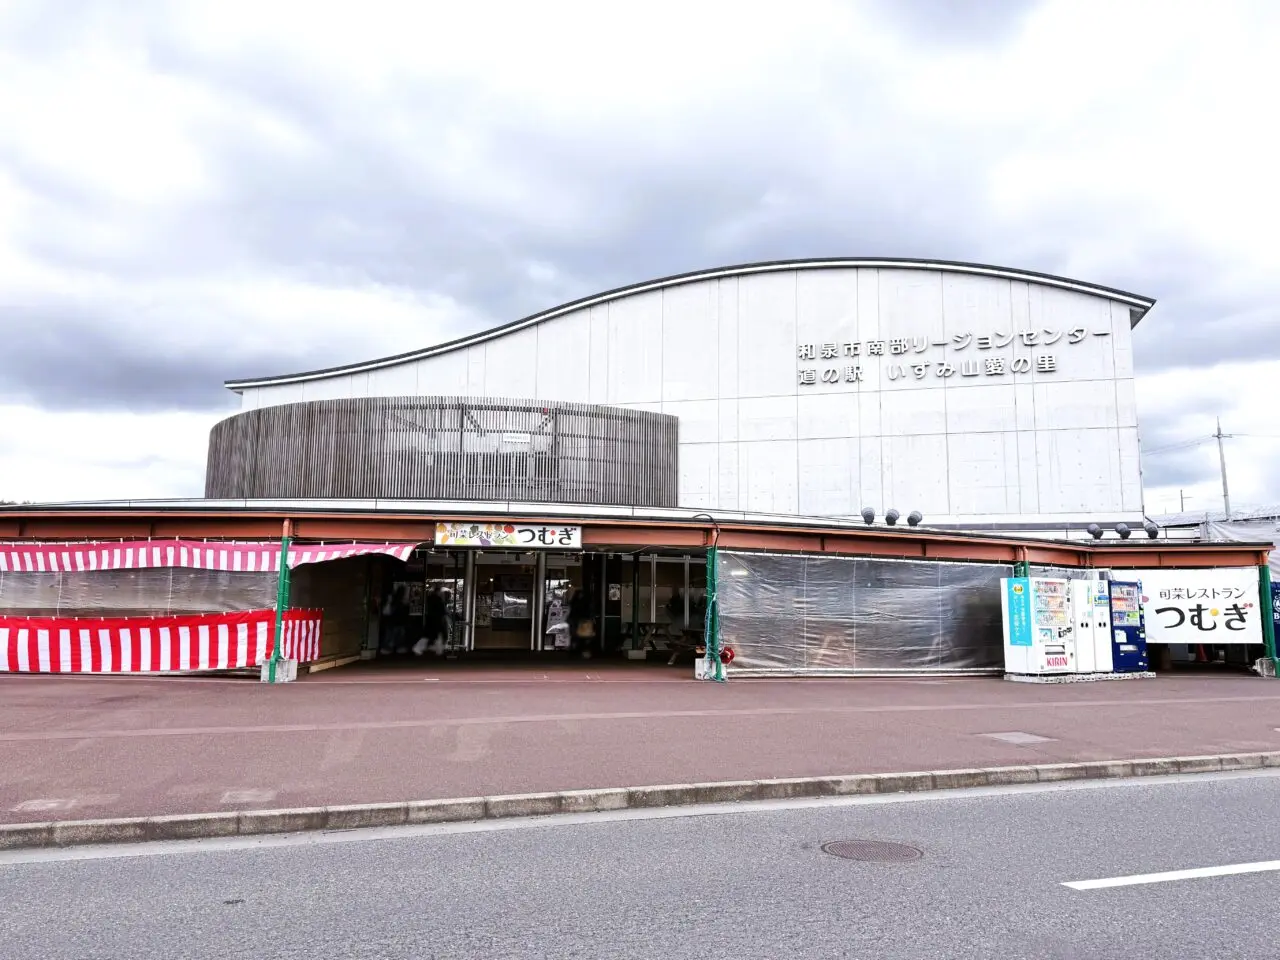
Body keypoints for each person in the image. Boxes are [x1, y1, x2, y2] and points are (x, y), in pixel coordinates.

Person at [414, 586, 448, 657]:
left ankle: (437, 649)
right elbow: (442, 611)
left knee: (430, 635)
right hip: (436, 621)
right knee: (435, 635)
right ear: (438, 592)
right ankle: (438, 650)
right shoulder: (438, 600)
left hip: (431, 620)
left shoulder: (430, 599)